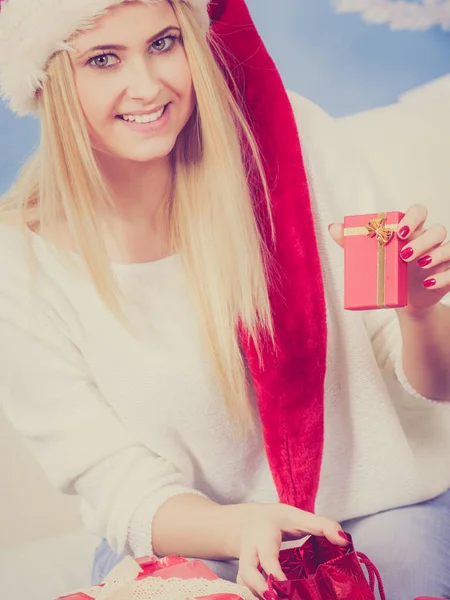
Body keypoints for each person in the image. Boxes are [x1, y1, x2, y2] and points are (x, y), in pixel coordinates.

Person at [0, 0, 449, 598]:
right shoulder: (20, 265)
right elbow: (114, 480)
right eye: (103, 59)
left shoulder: (292, 141)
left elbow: (436, 383)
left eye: (163, 44)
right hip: (190, 537)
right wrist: (239, 527)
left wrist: (417, 312)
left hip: (378, 510)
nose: (148, 86)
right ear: (48, 82)